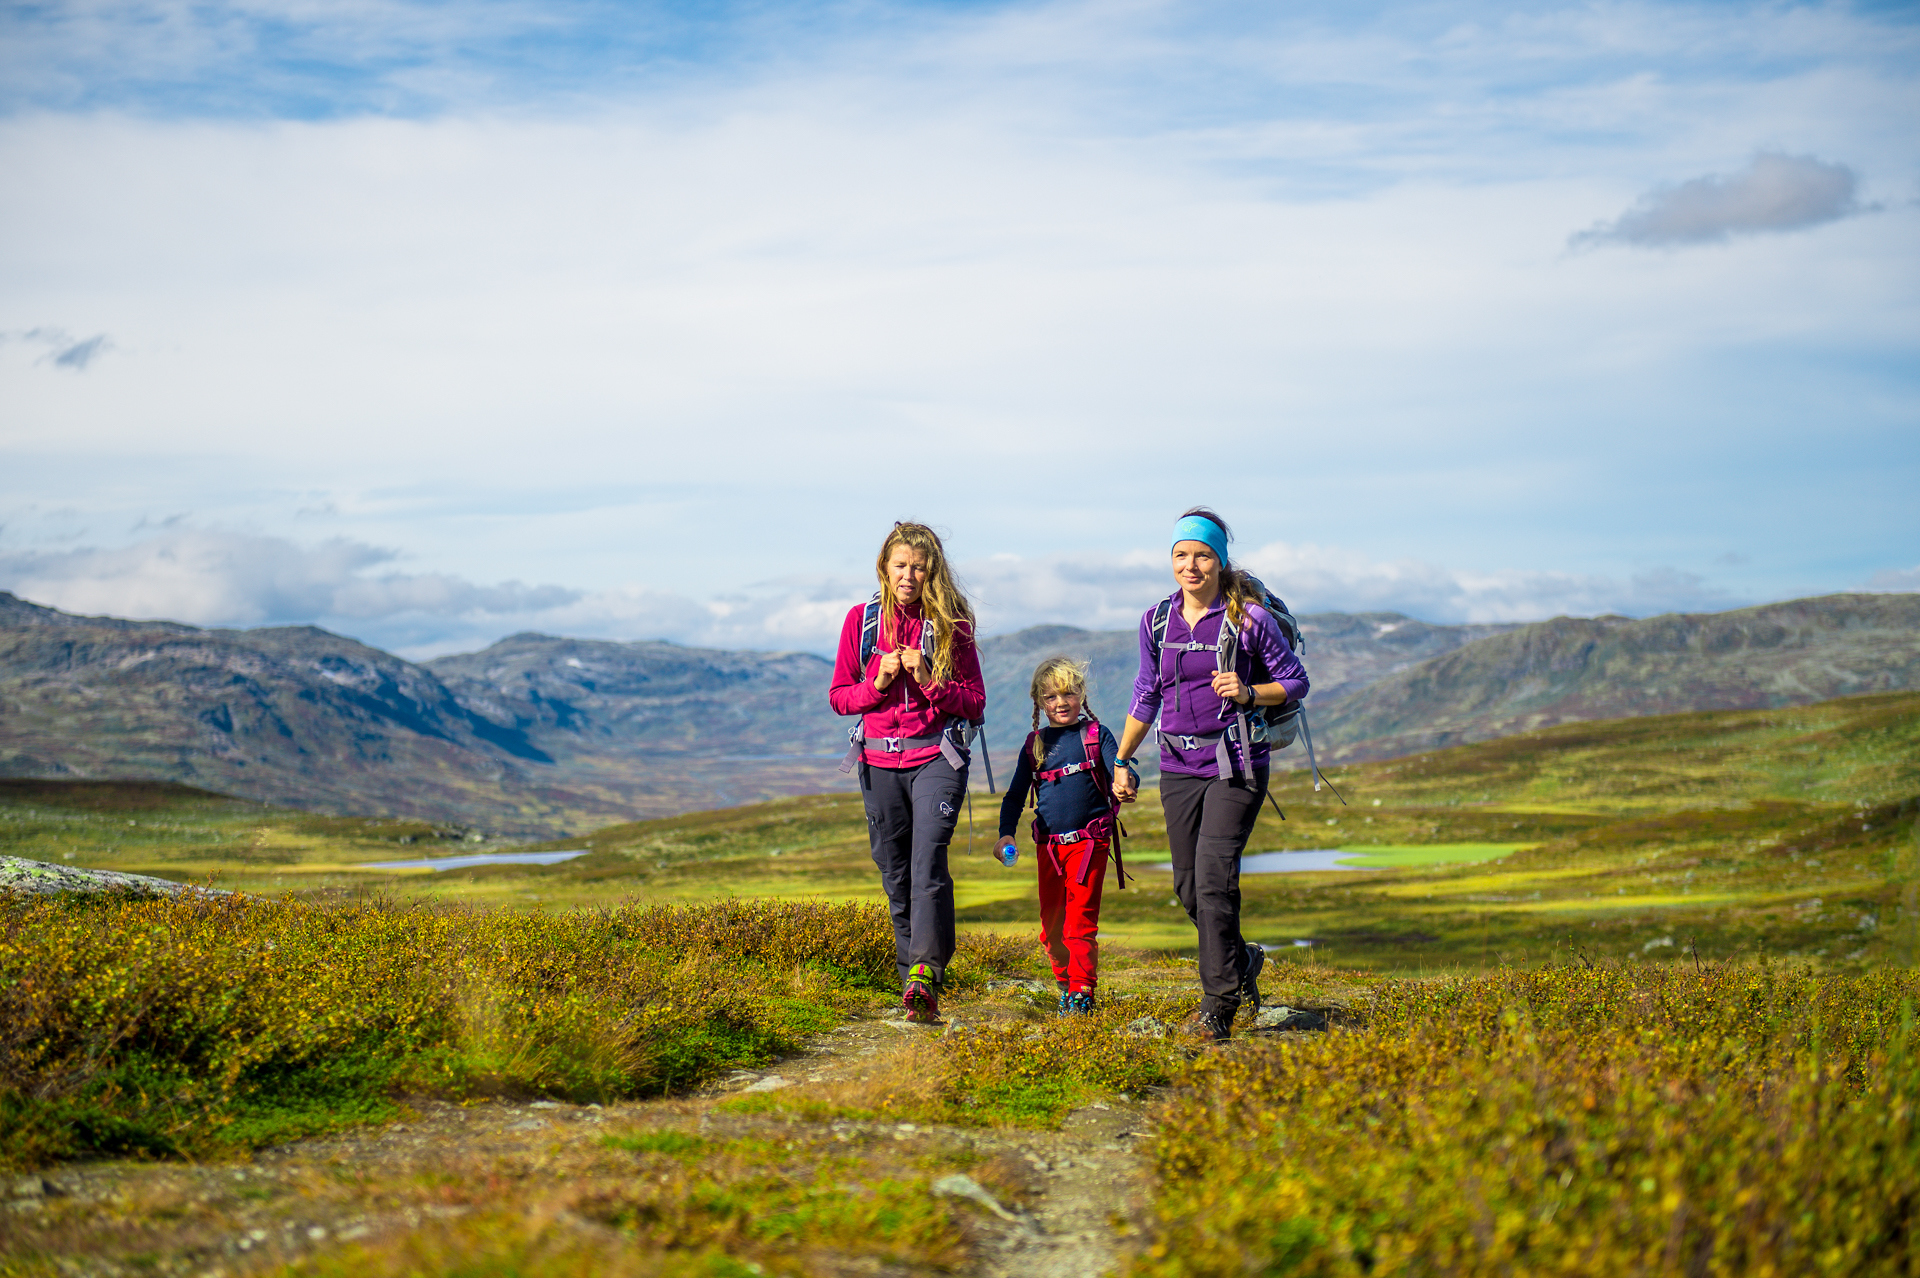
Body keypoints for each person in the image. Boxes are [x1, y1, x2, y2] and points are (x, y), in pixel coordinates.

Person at [1111, 507, 1310, 1042]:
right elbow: (1146, 692)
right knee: (1189, 886)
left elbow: (1295, 681)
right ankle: (1240, 959)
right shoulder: (1156, 621)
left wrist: (1249, 693)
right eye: (1181, 555)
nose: (1191, 565)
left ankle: (1217, 1007)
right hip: (1176, 766)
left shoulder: (1249, 619)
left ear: (1221, 561)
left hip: (1237, 762)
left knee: (1215, 879)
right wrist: (1123, 759)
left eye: (1202, 555)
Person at [829, 522, 986, 1024]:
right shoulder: (862, 621)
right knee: (894, 873)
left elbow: (976, 702)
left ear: (932, 571)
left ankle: (924, 972)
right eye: (901, 565)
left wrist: (928, 680)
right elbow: (839, 697)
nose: (909, 575)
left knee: (926, 864)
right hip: (876, 761)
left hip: (937, 759)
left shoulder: (953, 625)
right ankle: (913, 988)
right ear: (885, 567)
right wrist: (876, 683)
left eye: (919, 566)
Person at [995, 658, 1135, 1014]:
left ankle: (1083, 992)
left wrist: (1125, 784)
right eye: (1051, 696)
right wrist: (1004, 835)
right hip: (1049, 849)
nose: (1061, 702)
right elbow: (1014, 796)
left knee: (1079, 923)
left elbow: (1122, 769)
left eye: (1069, 693)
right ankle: (1066, 983)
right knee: (1051, 930)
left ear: (1081, 695)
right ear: (1040, 702)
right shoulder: (1034, 745)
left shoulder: (1096, 735)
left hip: (1090, 843)